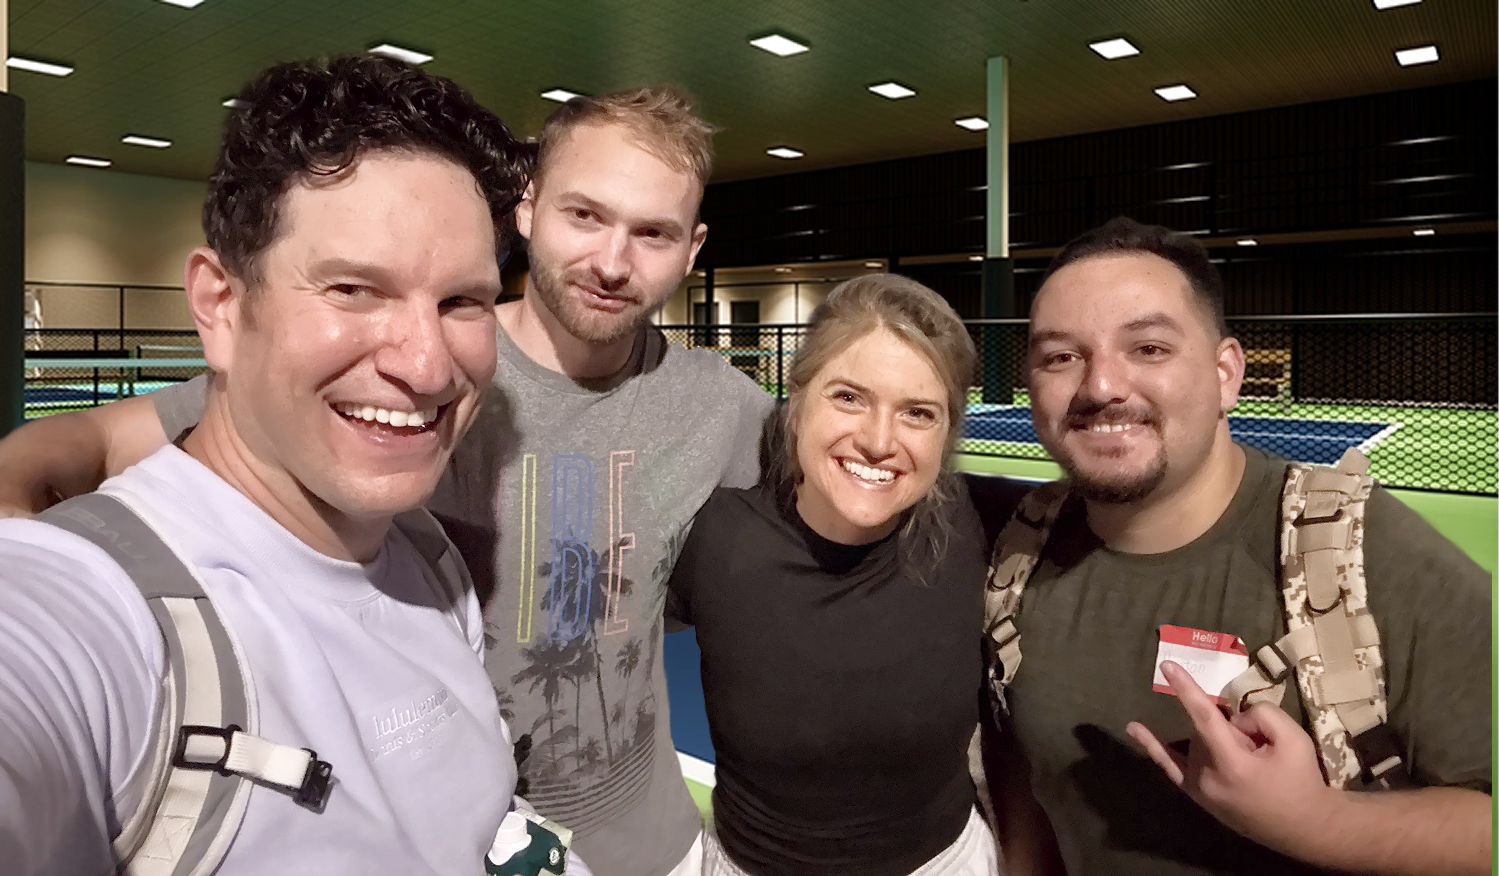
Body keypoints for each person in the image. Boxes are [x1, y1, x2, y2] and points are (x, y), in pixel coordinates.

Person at [0, 84, 772, 876]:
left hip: (621, 833)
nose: (612, 261)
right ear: (529, 210)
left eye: (651, 233)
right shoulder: (404, 383)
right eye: (585, 215)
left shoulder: (713, 408)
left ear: (692, 247)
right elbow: (90, 465)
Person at [991, 217, 1491, 875]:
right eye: (1060, 355)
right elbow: (1022, 780)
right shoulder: (1015, 556)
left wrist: (1320, 824)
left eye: (1147, 348)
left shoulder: (1364, 553)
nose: (1100, 386)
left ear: (1226, 374)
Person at [667, 274, 999, 876]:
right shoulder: (715, 538)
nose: (878, 441)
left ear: (948, 431)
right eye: (849, 396)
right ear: (797, 399)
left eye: (918, 413)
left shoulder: (972, 527)